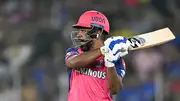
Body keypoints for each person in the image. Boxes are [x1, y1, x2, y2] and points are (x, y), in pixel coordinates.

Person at [64, 10, 130, 101]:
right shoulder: (75, 52)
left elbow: (115, 89)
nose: (79, 35)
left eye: (83, 30)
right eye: (79, 30)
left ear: (98, 32)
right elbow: (72, 62)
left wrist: (110, 63)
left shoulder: (116, 59)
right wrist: (103, 50)